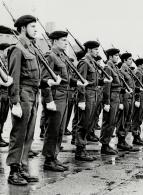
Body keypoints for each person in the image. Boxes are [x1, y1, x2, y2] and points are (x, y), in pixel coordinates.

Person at [6, 15, 61, 185]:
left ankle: (22, 168)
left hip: (33, 94)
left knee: (29, 135)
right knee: (19, 134)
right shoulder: (17, 49)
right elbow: (13, 76)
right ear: (23, 28)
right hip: (23, 95)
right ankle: (13, 171)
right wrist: (14, 101)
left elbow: (35, 78)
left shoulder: (31, 49)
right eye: (32, 26)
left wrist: (46, 82)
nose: (35, 29)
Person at [41, 30, 88, 171]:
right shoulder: (50, 56)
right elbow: (44, 79)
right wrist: (48, 100)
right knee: (53, 129)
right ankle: (49, 160)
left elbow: (66, 79)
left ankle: (54, 157)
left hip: (64, 96)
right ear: (55, 41)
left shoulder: (61, 57)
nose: (66, 43)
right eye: (63, 40)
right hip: (55, 98)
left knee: (60, 130)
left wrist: (77, 83)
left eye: (66, 41)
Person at [75, 40, 111, 161]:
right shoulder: (84, 63)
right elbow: (80, 82)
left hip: (94, 95)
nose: (97, 52)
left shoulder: (92, 63)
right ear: (89, 50)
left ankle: (83, 148)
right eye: (96, 49)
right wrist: (81, 100)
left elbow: (92, 80)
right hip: (87, 95)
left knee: (89, 123)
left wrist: (102, 81)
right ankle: (80, 151)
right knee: (83, 124)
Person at [0, 43, 13, 147]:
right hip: (1, 92)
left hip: (6, 92)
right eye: (7, 51)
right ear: (1, 51)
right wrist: (5, 82)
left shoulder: (5, 62)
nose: (8, 53)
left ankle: (0, 135)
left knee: (3, 116)